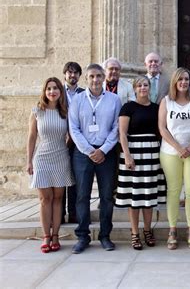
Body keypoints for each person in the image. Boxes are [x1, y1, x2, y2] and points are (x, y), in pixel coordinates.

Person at [68, 64, 122, 254]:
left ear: (104, 77)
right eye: (92, 76)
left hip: (106, 155)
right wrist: (89, 150)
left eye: (99, 76)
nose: (96, 80)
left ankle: (105, 236)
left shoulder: (114, 100)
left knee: (106, 196)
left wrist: (104, 150)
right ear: (86, 79)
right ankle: (82, 236)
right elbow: (73, 128)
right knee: (82, 196)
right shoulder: (77, 100)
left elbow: (117, 128)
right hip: (83, 154)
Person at [26, 77, 75, 253]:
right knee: (45, 199)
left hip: (61, 157)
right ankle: (46, 236)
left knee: (58, 199)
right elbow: (32, 137)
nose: (52, 91)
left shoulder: (65, 112)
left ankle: (56, 236)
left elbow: (72, 134)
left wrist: (65, 148)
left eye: (55, 88)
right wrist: (29, 160)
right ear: (44, 91)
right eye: (49, 89)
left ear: (60, 92)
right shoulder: (37, 111)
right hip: (42, 158)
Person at [159, 68, 190, 250]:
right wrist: (178, 148)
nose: (184, 83)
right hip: (170, 152)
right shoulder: (166, 101)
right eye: (180, 80)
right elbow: (162, 128)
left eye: (186, 79)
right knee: (173, 190)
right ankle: (172, 229)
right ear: (175, 82)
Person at [115, 76, 161, 250]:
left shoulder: (156, 108)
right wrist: (127, 155)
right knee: (134, 196)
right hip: (133, 153)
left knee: (148, 195)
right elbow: (122, 133)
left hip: (151, 153)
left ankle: (148, 230)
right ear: (134, 88)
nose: (143, 88)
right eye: (139, 85)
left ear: (150, 88)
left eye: (146, 85)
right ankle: (135, 233)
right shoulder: (128, 107)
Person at [62, 61, 84, 224]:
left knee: (75, 178)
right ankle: (60, 213)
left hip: (77, 141)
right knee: (61, 177)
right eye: (70, 72)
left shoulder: (84, 93)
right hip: (61, 141)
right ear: (65, 74)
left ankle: (74, 213)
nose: (72, 75)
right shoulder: (57, 91)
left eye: (76, 72)